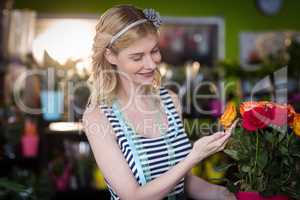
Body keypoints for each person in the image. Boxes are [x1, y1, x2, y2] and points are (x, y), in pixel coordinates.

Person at [83, 4, 237, 200]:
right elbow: (133, 196)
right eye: (137, 57)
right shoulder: (98, 117)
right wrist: (194, 157)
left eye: (154, 51)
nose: (150, 64)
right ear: (111, 56)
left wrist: (232, 195)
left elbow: (182, 182)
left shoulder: (170, 101)